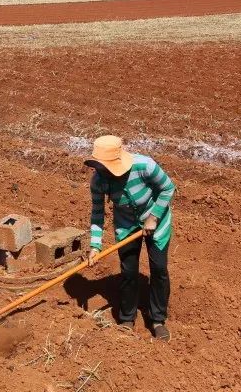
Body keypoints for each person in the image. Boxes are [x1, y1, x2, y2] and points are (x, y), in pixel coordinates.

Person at [85, 135, 176, 341]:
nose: (102, 172)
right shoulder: (98, 181)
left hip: (157, 220)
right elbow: (97, 214)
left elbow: (168, 188)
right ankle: (127, 318)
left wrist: (153, 218)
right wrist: (95, 246)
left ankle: (158, 319)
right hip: (126, 224)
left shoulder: (145, 166)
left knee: (159, 269)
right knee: (128, 271)